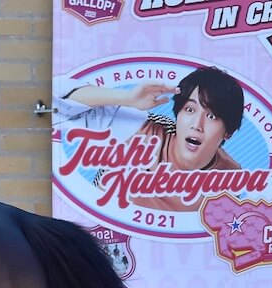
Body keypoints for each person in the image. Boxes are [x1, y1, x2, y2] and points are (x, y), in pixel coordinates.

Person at [53, 66, 245, 211]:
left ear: (228, 131)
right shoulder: (141, 129)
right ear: (177, 114)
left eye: (212, 116)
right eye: (189, 109)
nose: (197, 124)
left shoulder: (230, 177)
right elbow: (55, 104)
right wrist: (126, 98)